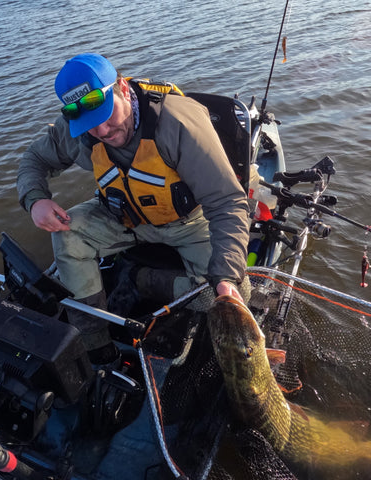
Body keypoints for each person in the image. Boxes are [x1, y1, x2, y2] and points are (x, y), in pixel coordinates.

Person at [17, 53, 250, 361]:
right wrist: (36, 200)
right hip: (122, 218)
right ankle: (95, 344)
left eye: (105, 113)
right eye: (88, 124)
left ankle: (143, 279)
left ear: (123, 89)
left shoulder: (178, 121)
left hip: (188, 224)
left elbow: (227, 202)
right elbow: (34, 161)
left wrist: (226, 276)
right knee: (67, 233)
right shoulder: (75, 130)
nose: (101, 131)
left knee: (230, 299)